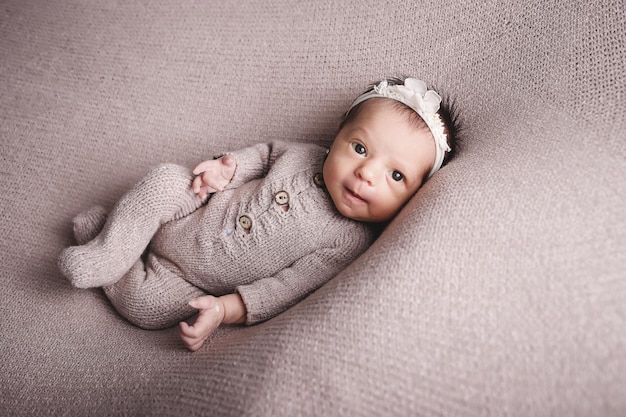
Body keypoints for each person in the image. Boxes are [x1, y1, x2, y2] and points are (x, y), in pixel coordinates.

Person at [58, 78, 460, 351]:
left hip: (189, 281)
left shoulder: (347, 241)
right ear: (337, 135)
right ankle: (108, 252)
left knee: (146, 307)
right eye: (359, 148)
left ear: (413, 196)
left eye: (395, 175)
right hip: (196, 207)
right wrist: (224, 168)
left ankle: (106, 233)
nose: (366, 174)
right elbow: (264, 155)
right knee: (165, 180)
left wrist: (224, 310)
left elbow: (288, 287)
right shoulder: (304, 155)